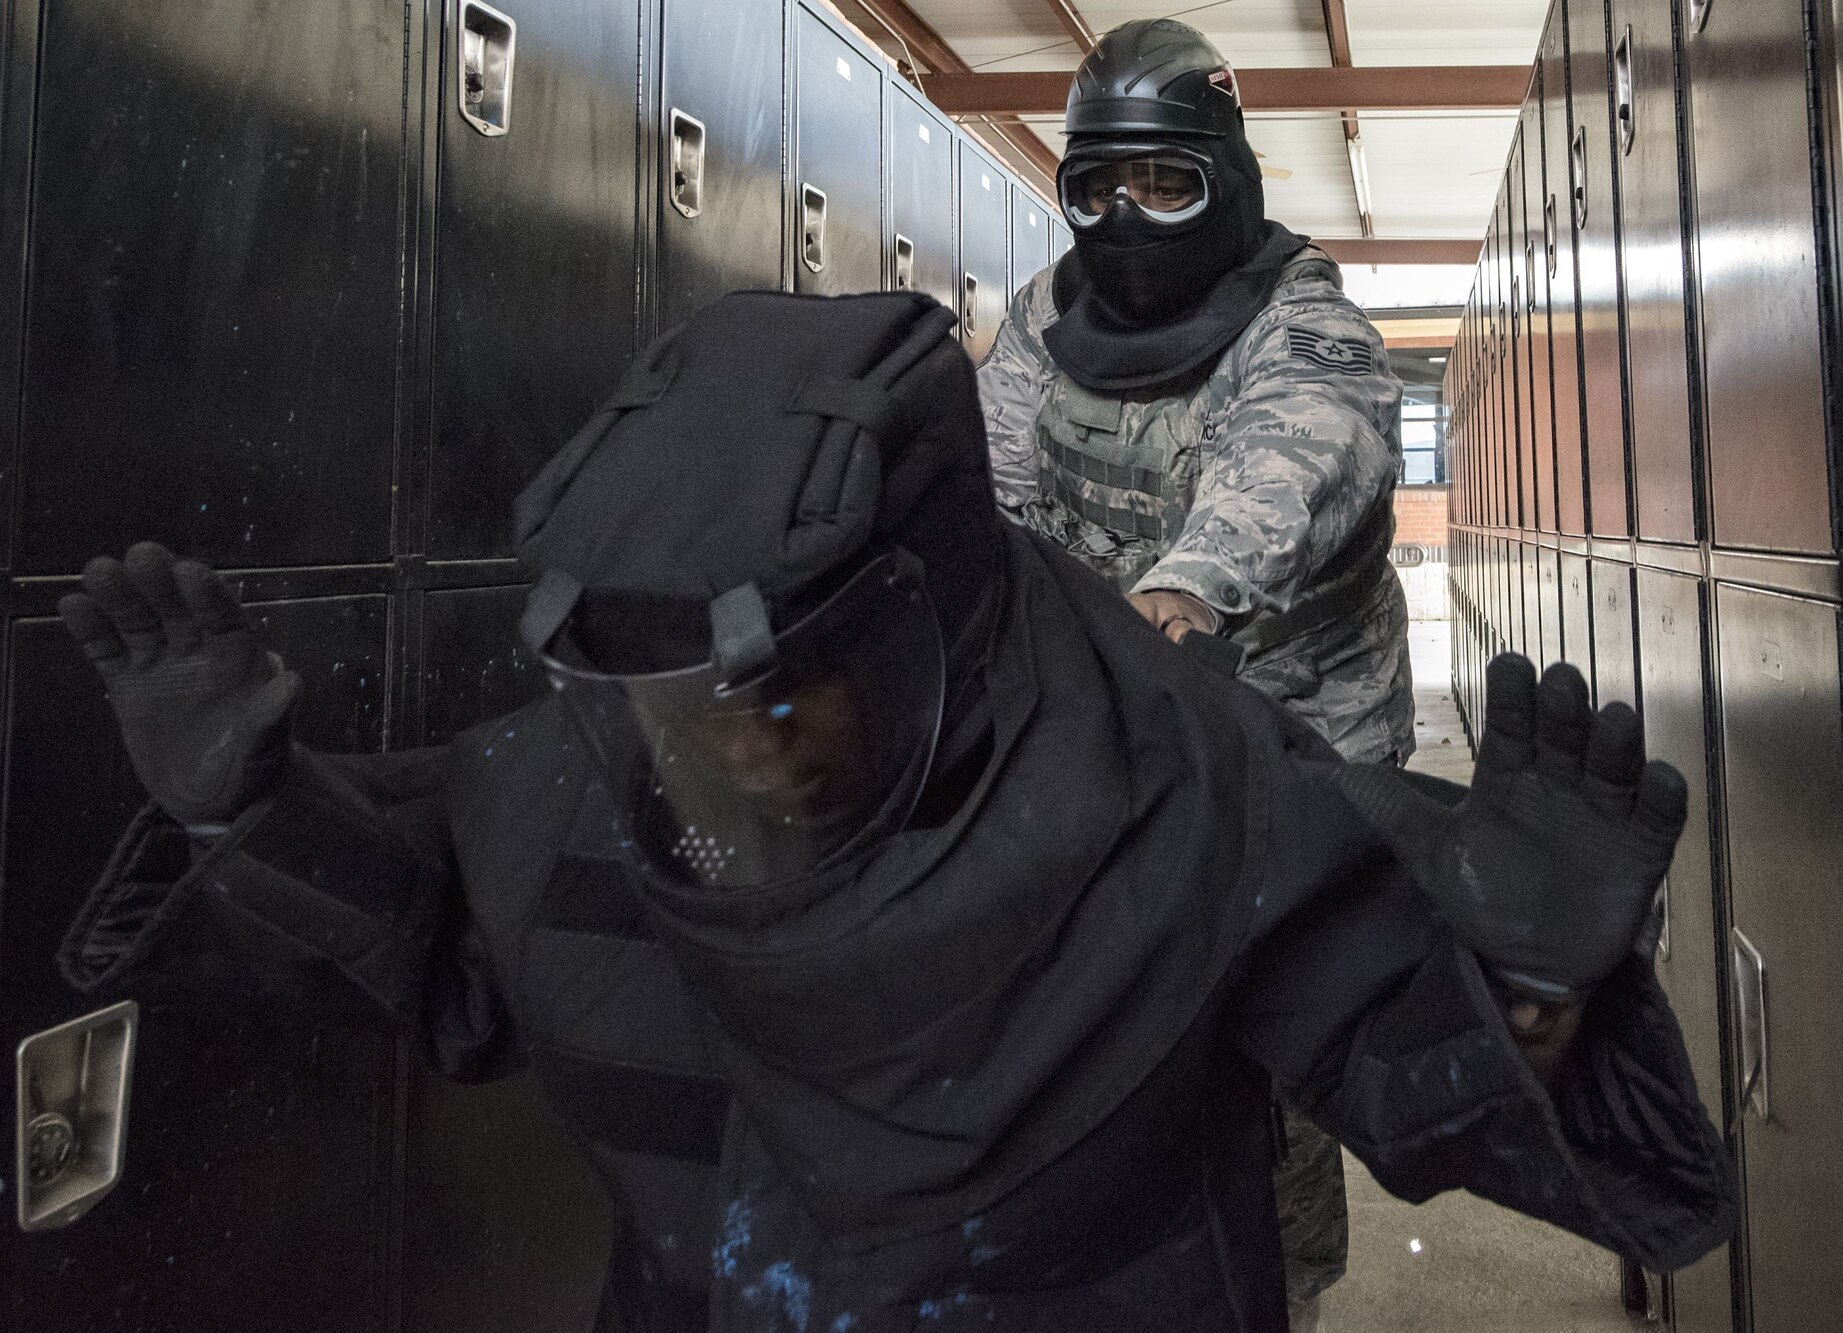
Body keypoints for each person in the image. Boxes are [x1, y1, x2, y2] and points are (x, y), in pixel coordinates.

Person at [58, 290, 1731, 1333]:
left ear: (933, 614)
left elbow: (1397, 1076)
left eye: (793, 686)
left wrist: (1539, 996)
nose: (747, 753)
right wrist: (258, 812)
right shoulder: (605, 771)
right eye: (693, 714)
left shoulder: (1184, 788)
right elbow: (474, 974)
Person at [976, 22, 1416, 1318]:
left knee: (1269, 1080)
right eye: (1097, 187)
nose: (1127, 218)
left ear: (1229, 177)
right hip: (1120, 765)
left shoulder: (1305, 321)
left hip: (1289, 778)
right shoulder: (1045, 321)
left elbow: (1294, 460)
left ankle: (1284, 1294)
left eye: (1166, 183)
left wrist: (1185, 586)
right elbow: (989, 493)